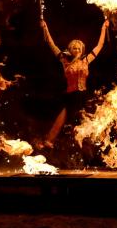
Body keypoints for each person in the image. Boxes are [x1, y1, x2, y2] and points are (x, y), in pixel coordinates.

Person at [36, 17, 109, 149]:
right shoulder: (64, 60)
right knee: (62, 120)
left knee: (85, 122)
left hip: (83, 96)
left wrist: (103, 28)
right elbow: (52, 44)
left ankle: (85, 148)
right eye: (74, 48)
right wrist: (45, 28)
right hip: (70, 96)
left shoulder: (86, 60)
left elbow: (100, 46)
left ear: (82, 50)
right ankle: (49, 141)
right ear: (70, 49)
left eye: (79, 49)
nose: (76, 50)